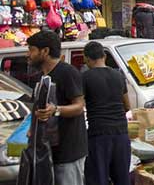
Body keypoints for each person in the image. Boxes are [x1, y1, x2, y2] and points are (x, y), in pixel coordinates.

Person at [27, 30, 87, 184]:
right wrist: (32, 129)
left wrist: (56, 110)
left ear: (45, 51)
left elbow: (79, 106)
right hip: (48, 151)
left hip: (68, 151)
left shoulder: (68, 72)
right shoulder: (41, 77)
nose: (28, 55)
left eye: (32, 50)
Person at [82, 41, 131, 185]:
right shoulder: (118, 76)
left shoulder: (85, 77)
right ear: (104, 56)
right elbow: (127, 106)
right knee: (122, 179)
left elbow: (80, 105)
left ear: (86, 58)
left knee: (98, 178)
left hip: (98, 134)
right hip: (121, 133)